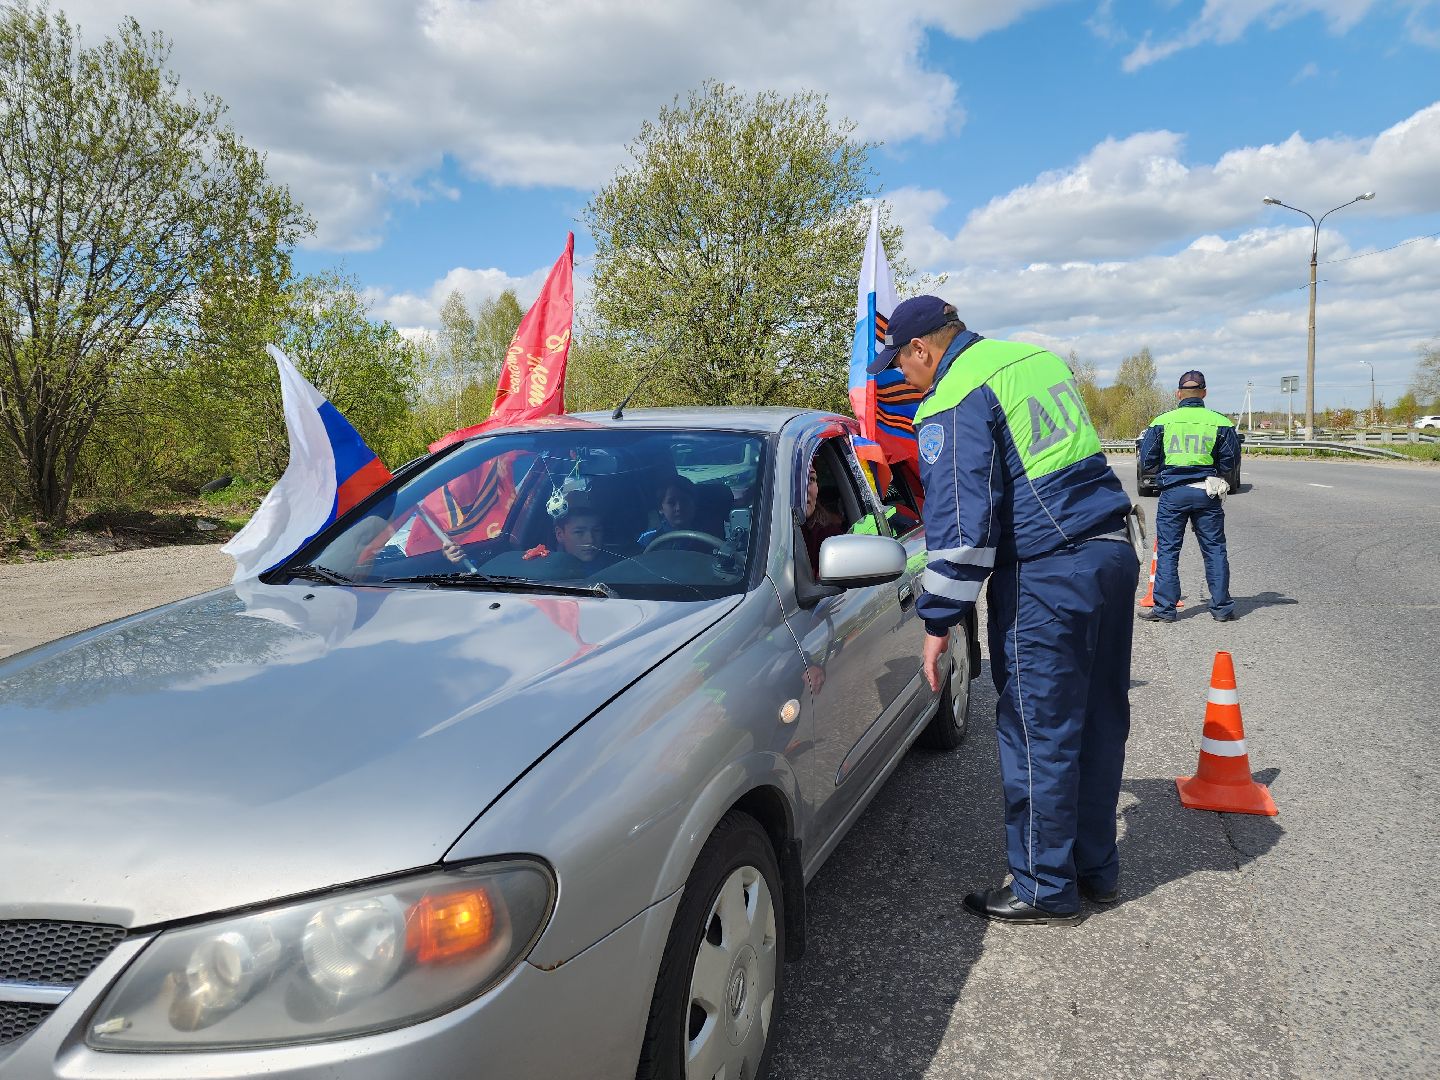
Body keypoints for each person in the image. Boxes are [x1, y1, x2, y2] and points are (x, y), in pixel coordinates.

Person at [870, 294, 1138, 924]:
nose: (900, 381)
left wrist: (937, 624)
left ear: (923, 349)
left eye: (901, 366)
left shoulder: (953, 394)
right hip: (1111, 554)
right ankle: (1095, 871)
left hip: (1050, 569)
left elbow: (962, 526)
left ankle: (1045, 887)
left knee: (1038, 729)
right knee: (1098, 720)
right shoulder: (1031, 360)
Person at [1138, 371, 1238, 622]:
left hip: (1173, 493)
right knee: (1215, 549)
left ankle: (1165, 610)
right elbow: (1231, 462)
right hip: (1207, 491)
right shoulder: (1221, 423)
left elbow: (1147, 460)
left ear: (1178, 394)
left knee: (1169, 551)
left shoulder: (1163, 421)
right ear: (1204, 393)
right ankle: (1222, 609)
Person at [800, 460, 845, 575]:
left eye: (811, 479)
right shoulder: (760, 535)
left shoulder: (830, 536)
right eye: (795, 479)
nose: (805, 489)